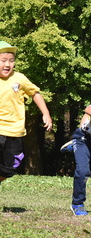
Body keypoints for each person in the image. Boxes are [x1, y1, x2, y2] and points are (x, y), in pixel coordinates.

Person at [0, 41, 52, 185]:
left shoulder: (19, 78)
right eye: (3, 60)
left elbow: (35, 93)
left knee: (10, 168)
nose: (7, 64)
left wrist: (46, 113)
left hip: (15, 131)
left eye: (11, 61)